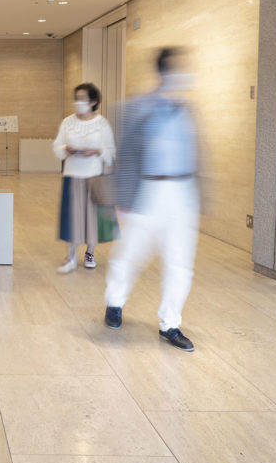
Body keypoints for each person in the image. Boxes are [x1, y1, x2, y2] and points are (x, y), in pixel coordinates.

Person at [104, 47, 202, 352]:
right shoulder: (134, 108)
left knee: (180, 263)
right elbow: (124, 154)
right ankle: (115, 302)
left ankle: (170, 323)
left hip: (182, 193)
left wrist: (202, 195)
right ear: (163, 73)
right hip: (147, 191)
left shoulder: (189, 110)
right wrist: (121, 195)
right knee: (131, 255)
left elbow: (199, 154)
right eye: (177, 69)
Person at [53, 83, 115, 273]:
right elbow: (57, 147)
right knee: (73, 217)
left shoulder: (102, 123)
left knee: (92, 218)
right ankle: (70, 256)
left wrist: (98, 151)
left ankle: (90, 251)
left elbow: (111, 151)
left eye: (82, 98)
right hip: (72, 175)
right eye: (76, 98)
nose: (78, 102)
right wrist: (66, 149)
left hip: (94, 176)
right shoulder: (67, 122)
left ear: (93, 101)